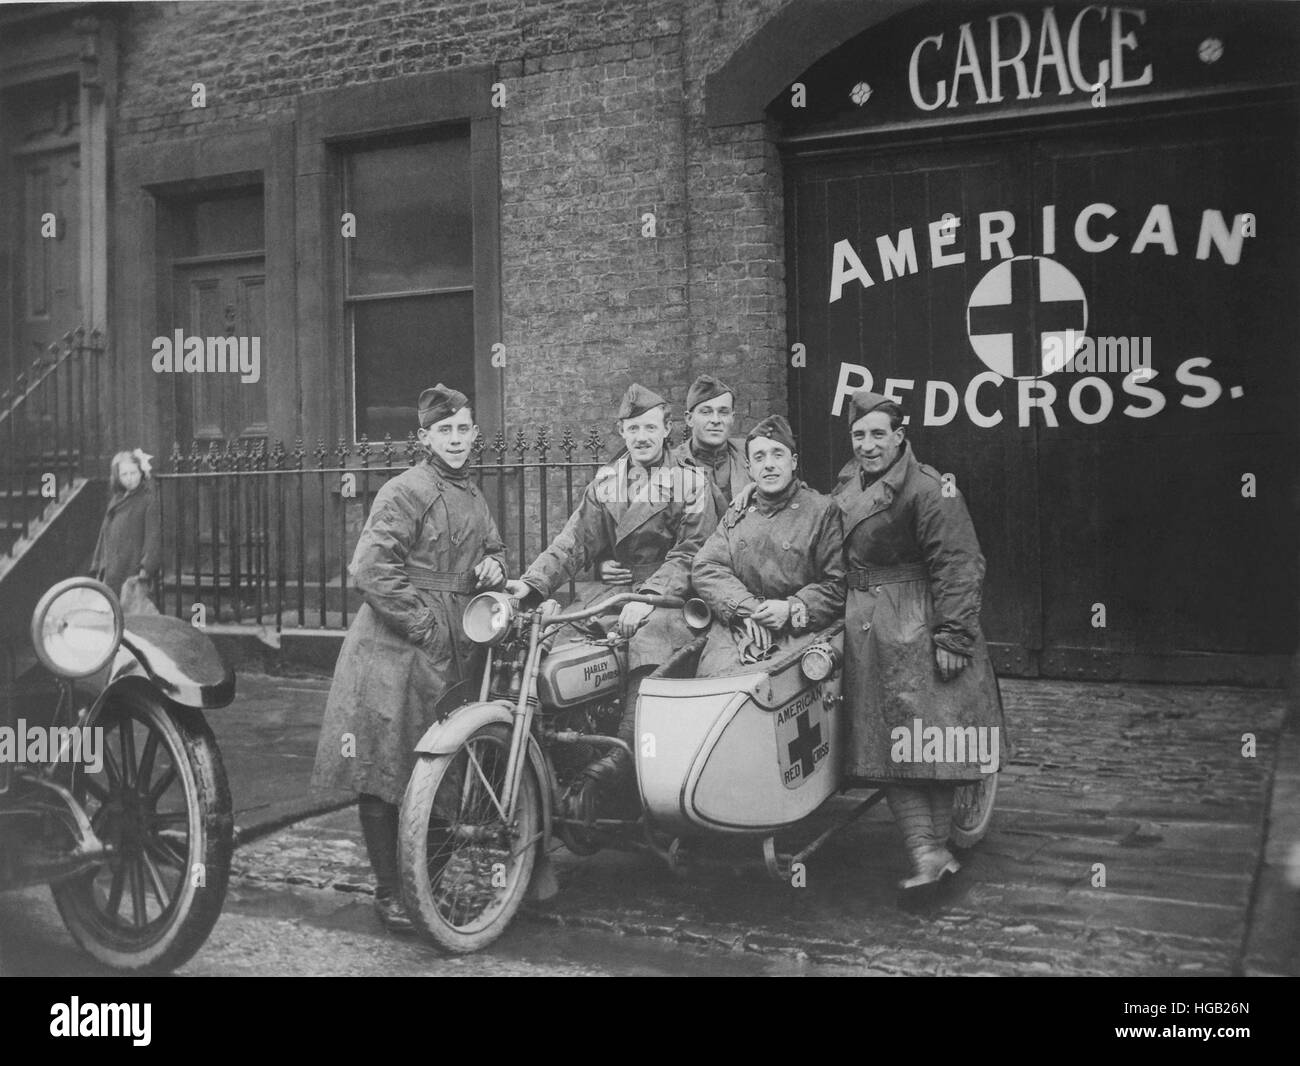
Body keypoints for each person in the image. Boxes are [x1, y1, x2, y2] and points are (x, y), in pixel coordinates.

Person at [311, 385, 506, 932]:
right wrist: (425, 625)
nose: (457, 439)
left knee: (440, 770)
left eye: (464, 429)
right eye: (445, 431)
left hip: (452, 647)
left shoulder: (472, 492)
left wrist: (494, 565)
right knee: (384, 769)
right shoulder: (404, 490)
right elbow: (370, 569)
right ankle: (389, 890)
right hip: (394, 650)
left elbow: (492, 548)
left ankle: (426, 882)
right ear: (424, 438)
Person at [506, 383, 718, 811]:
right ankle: (566, 760)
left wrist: (650, 596)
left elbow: (692, 553)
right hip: (615, 594)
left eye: (650, 428)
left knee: (649, 650)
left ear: (667, 430)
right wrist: (531, 584)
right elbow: (574, 542)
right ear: (622, 431)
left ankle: (616, 766)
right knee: (559, 645)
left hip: (671, 598)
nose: (641, 437)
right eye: (633, 428)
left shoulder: (691, 480)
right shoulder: (607, 481)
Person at [833, 389, 1005, 894]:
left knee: (921, 740)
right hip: (868, 627)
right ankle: (930, 852)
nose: (868, 445)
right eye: (859, 435)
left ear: (899, 436)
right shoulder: (848, 482)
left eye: (878, 434)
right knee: (889, 742)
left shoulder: (930, 488)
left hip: (916, 622)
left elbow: (960, 563)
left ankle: (930, 852)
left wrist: (954, 636)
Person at [691, 415, 844, 676]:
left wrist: (789, 609)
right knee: (711, 693)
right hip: (737, 631)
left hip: (796, 635)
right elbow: (706, 566)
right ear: (750, 468)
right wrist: (747, 610)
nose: (769, 465)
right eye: (760, 458)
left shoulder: (821, 511)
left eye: (778, 455)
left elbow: (836, 586)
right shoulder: (737, 512)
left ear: (793, 462)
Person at [668, 373, 752, 513]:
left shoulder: (750, 455)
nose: (715, 420)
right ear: (689, 419)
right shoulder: (670, 464)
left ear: (732, 418)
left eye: (723, 412)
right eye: (706, 412)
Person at [90, 449, 161, 608]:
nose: (130, 479)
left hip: (131, 567)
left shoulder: (147, 499)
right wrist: (99, 564)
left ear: (141, 472)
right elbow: (104, 534)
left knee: (130, 611)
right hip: (111, 568)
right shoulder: (116, 500)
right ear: (117, 477)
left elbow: (153, 537)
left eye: (133, 473)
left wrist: (146, 568)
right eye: (124, 475)